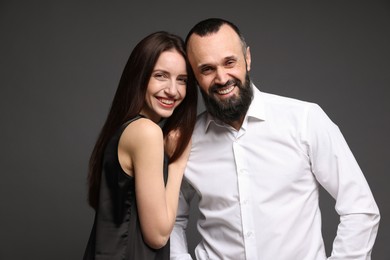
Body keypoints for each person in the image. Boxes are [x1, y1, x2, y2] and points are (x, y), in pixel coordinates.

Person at [170, 18, 380, 260]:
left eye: (230, 62)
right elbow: (172, 218)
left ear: (247, 58)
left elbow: (360, 208)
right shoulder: (186, 140)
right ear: (195, 76)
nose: (222, 78)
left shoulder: (305, 119)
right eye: (207, 69)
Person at [83, 31, 198, 260]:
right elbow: (158, 235)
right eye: (161, 75)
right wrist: (178, 162)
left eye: (182, 79)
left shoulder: (126, 128)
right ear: (140, 76)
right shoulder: (147, 132)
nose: (173, 90)